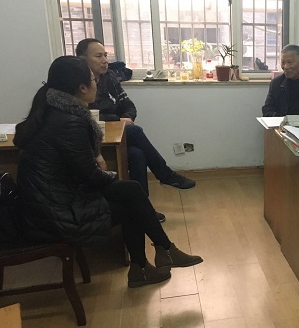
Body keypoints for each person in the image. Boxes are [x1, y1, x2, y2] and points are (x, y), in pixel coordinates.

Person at [14, 56, 203, 288]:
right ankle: (157, 256)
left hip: (48, 203)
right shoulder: (70, 122)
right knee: (131, 198)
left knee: (131, 191)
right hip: (55, 213)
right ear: (82, 88)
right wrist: (110, 173)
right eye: (93, 80)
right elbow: (92, 177)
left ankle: (154, 259)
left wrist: (101, 167)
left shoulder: (51, 111)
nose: (97, 83)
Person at [76, 38, 196, 223]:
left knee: (137, 154)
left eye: (106, 55)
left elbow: (129, 105)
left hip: (116, 132)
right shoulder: (79, 83)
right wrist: (118, 120)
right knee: (135, 132)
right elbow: (89, 115)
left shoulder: (109, 77)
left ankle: (143, 209)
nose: (105, 60)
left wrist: (127, 117)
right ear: (83, 59)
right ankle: (165, 175)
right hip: (92, 137)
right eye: (99, 56)